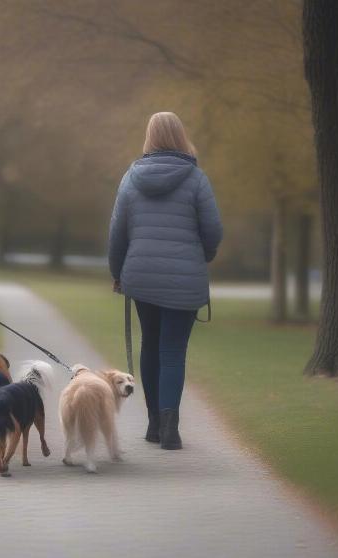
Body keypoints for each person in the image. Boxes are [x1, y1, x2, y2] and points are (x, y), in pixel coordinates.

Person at [108, 111, 223, 450]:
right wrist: (204, 256)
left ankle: (154, 425)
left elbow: (116, 234)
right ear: (181, 135)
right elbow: (213, 230)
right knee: (173, 350)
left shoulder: (131, 177)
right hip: (184, 278)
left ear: (149, 137)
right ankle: (171, 429)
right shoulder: (196, 178)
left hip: (141, 276)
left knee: (150, 345)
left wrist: (118, 273)